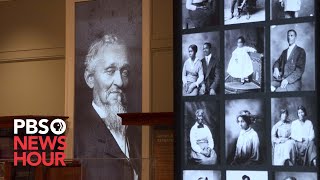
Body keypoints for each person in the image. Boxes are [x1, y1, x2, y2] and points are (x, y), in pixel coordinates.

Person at [75, 34, 141, 180]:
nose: (120, 82)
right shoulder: (77, 138)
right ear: (90, 79)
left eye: (124, 72)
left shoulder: (136, 133)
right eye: (110, 71)